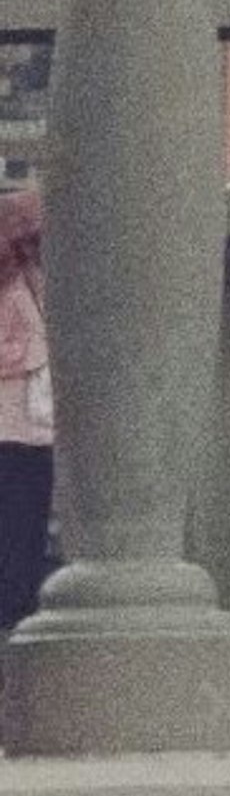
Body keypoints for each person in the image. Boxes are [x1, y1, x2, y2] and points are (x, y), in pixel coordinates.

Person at [0, 190, 53, 634]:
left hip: (34, 429)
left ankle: (15, 618)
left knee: (24, 534)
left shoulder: (38, 279)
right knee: (18, 533)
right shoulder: (16, 283)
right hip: (15, 428)